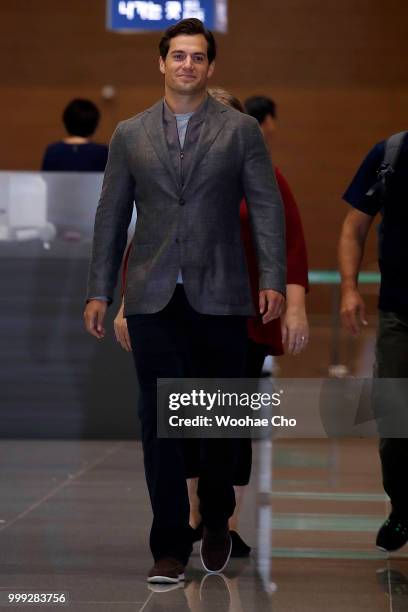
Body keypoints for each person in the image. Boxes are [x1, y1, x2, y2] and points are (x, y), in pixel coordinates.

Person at [84, 18, 286, 583]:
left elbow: (266, 207)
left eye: (198, 57)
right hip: (152, 297)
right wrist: (101, 290)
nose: (187, 65)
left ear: (211, 67)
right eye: (178, 55)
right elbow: (111, 216)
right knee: (158, 423)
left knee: (217, 416)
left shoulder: (241, 130)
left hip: (222, 295)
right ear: (162, 62)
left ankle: (218, 514)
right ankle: (169, 545)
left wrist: (272, 277)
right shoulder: (130, 133)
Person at [114, 88, 309, 558]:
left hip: (240, 314)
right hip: (173, 309)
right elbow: (145, 240)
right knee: (178, 414)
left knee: (225, 420)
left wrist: (294, 304)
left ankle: (222, 518)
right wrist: (125, 303)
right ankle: (189, 521)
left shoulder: (260, 173)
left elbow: (289, 242)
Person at [338, 131, 408, 552]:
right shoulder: (391, 154)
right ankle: (403, 507)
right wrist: (349, 287)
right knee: (395, 420)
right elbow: (355, 225)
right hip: (400, 312)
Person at [41, 98, 108, 172]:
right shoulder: (102, 152)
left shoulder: (52, 151)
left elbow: (46, 180)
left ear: (65, 123)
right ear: (95, 125)